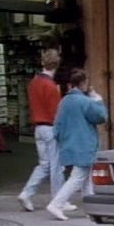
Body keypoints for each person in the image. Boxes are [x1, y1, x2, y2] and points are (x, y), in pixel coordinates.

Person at [46, 68, 108, 221]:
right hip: (84, 145)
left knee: (86, 178)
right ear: (83, 83)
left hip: (70, 144)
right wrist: (97, 99)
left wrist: (63, 140)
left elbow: (57, 126)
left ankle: (91, 209)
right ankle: (56, 204)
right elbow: (101, 117)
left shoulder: (64, 101)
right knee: (78, 177)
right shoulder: (85, 101)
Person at [17, 49, 72, 212]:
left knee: (44, 164)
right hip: (50, 127)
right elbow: (56, 113)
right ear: (57, 64)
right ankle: (58, 200)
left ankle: (27, 193)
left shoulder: (34, 82)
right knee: (56, 166)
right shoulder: (51, 86)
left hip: (38, 127)